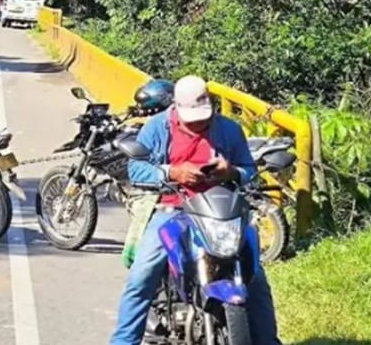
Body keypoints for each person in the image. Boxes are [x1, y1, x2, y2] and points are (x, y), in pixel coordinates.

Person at [109, 75, 278, 345]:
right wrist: (173, 172)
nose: (199, 124)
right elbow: (136, 169)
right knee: (142, 276)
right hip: (173, 210)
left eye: (203, 117)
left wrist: (230, 172)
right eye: (192, 119)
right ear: (175, 108)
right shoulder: (156, 128)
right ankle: (123, 341)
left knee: (254, 277)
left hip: (223, 214)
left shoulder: (229, 130)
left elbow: (249, 171)